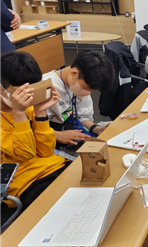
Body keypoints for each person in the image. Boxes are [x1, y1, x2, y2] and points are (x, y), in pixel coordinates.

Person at [1, 51, 68, 209]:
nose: (28, 97)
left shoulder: (27, 107)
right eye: (21, 92)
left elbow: (46, 151)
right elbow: (26, 153)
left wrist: (40, 112)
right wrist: (18, 114)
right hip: (27, 182)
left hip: (54, 166)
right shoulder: (19, 109)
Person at [42, 50, 114, 146]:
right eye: (86, 88)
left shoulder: (79, 84)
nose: (88, 93)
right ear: (74, 74)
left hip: (72, 129)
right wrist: (57, 135)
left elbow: (82, 117)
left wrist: (97, 129)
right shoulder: (45, 86)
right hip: (49, 138)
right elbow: (31, 126)